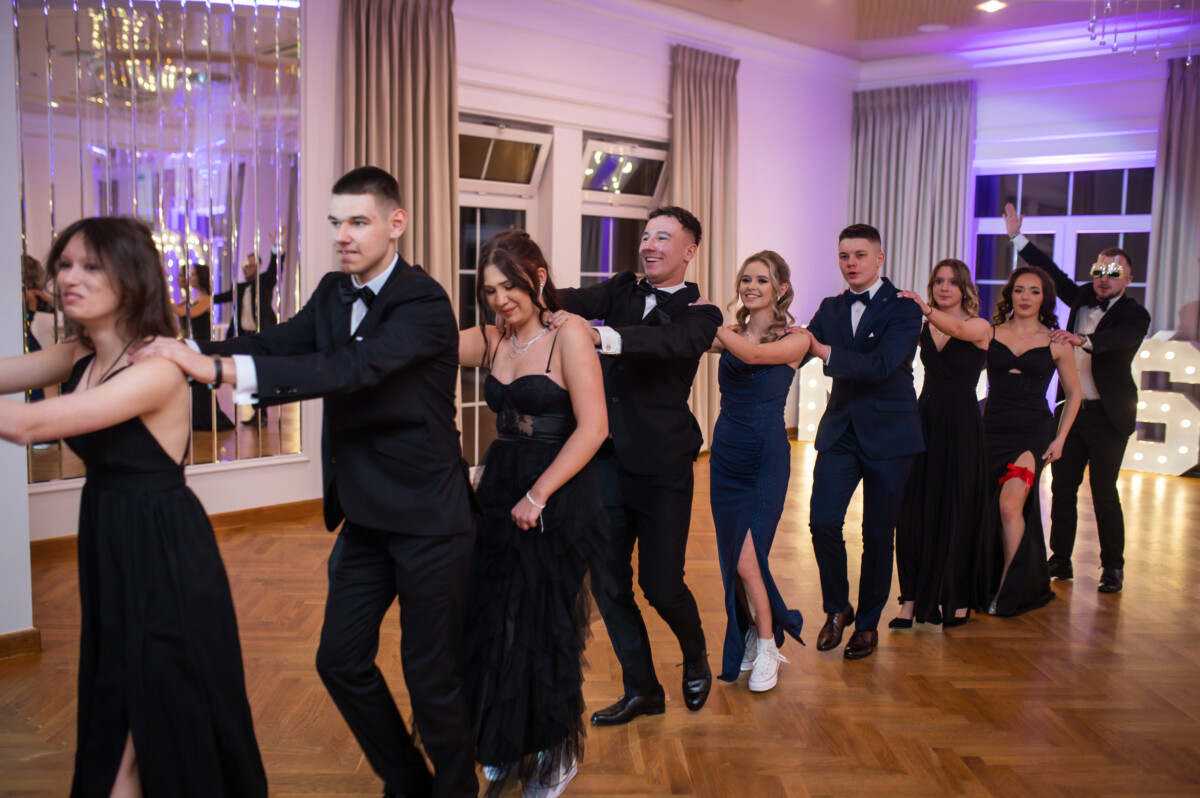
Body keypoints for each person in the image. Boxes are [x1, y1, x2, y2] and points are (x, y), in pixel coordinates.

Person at [137, 167, 478, 798]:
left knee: (431, 678)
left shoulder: (425, 302)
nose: (342, 235)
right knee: (339, 661)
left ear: (395, 224)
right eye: (335, 223)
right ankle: (408, 781)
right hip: (365, 517)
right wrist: (183, 350)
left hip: (430, 520)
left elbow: (351, 368)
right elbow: (273, 345)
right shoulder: (330, 292)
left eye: (358, 221)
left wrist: (214, 372)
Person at [0, 217, 267, 797]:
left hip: (164, 552)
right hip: (108, 538)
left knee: (156, 711)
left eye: (91, 266)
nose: (69, 278)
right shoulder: (78, 354)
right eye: (64, 265)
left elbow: (26, 425)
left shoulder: (157, 369)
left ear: (131, 276)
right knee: (116, 704)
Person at [555, 206, 722, 724]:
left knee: (661, 586)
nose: (649, 245)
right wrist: (527, 288)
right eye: (647, 236)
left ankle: (695, 652)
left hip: (663, 467)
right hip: (607, 461)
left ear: (689, 251)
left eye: (663, 238)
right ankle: (642, 689)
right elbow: (571, 300)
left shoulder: (702, 314)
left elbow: (668, 343)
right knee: (608, 584)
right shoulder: (621, 289)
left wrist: (602, 336)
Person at [458, 230, 607, 798]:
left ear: (538, 277)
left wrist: (538, 495)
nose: (500, 300)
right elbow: (425, 345)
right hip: (500, 491)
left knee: (546, 625)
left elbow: (594, 428)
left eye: (510, 287)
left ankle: (553, 749)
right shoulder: (494, 337)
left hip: (557, 496)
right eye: (490, 291)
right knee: (496, 618)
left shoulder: (569, 334)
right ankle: (507, 736)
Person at [1003, 203, 1150, 594]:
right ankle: (1060, 559)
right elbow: (1050, 271)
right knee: (1062, 488)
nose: (1104, 279)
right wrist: (1017, 237)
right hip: (1071, 411)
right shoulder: (1082, 296)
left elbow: (1119, 339)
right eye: (1099, 271)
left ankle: (1112, 567)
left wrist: (1082, 339)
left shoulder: (1136, 315)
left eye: (1113, 273)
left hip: (1109, 416)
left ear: (1128, 279)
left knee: (1104, 492)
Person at [797, 223, 923, 660]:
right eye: (844, 256)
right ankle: (837, 607)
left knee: (877, 535)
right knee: (822, 522)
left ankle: (867, 625)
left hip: (892, 435)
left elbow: (882, 365)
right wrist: (747, 340)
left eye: (860, 255)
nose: (850, 263)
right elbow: (798, 350)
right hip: (841, 431)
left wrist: (823, 352)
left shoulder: (904, 307)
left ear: (879, 258)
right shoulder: (830, 307)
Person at [704, 251, 808, 692]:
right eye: (746, 279)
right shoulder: (731, 334)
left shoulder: (797, 339)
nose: (751, 287)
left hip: (765, 459)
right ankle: (751, 632)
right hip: (725, 456)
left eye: (762, 280)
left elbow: (750, 355)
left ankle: (768, 643)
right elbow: (677, 341)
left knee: (749, 559)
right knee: (734, 558)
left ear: (780, 289)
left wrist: (709, 323)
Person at [974, 266, 1081, 616]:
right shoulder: (989, 333)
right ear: (1010, 294)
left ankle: (1010, 587)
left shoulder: (1056, 341)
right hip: (990, 427)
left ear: (1044, 298)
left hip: (1032, 432)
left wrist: (1060, 439)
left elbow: (1074, 394)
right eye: (1019, 289)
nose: (1025, 297)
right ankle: (980, 582)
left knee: (1010, 506)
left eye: (1034, 291)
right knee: (983, 508)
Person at [895, 260, 990, 627]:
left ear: (965, 288)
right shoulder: (924, 327)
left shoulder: (979, 326)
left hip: (962, 423)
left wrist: (924, 308)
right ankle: (911, 600)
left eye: (952, 282)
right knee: (913, 509)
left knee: (957, 509)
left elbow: (956, 329)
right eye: (938, 281)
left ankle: (957, 597)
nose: (944, 287)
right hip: (925, 417)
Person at [175, 264, 235, 432]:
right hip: (194, 344)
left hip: (203, 344)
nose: (191, 277)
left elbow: (189, 313)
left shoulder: (207, 299)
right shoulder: (194, 299)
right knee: (196, 383)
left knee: (203, 382)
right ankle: (197, 418)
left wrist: (166, 301)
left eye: (194, 274)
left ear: (201, 277)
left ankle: (206, 419)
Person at [213, 240, 281, 339]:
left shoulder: (264, 282)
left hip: (262, 335)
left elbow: (273, 270)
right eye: (244, 266)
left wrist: (275, 248)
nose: (245, 269)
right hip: (243, 336)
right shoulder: (240, 288)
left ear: (257, 267)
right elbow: (222, 297)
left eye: (249, 266)